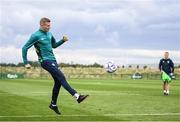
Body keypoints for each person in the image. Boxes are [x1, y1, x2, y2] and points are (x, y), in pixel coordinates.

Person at [22, 17, 89, 115]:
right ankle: (77, 96)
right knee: (61, 77)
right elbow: (24, 48)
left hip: (53, 60)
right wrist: (25, 62)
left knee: (58, 82)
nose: (49, 27)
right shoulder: (35, 36)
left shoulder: (49, 34)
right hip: (45, 61)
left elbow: (54, 45)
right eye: (47, 25)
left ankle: (53, 104)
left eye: (50, 25)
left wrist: (62, 40)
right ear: (41, 25)